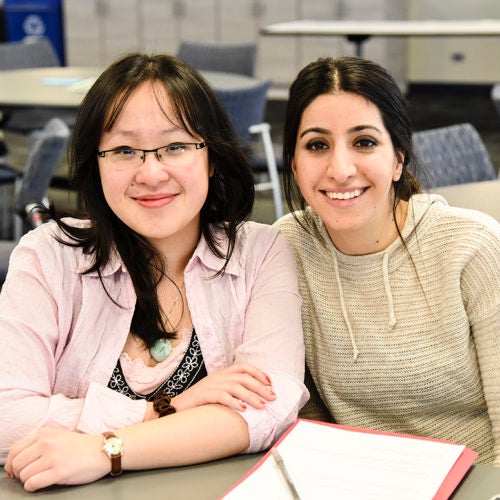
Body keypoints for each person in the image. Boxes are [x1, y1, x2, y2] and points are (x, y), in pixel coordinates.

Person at [0, 52, 308, 491]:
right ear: (95, 163)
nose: (151, 172)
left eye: (176, 146)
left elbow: (266, 410)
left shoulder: (259, 251)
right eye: (124, 150)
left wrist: (105, 450)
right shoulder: (48, 256)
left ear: (212, 157)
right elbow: (6, 418)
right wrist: (164, 410)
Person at [274, 56, 500, 465]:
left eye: (364, 142)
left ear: (398, 159)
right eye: (317, 145)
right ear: (293, 162)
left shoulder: (473, 247)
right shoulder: (286, 247)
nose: (340, 169)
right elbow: (303, 414)